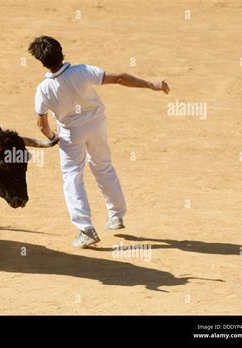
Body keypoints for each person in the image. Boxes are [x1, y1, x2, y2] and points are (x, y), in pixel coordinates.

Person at [28, 35, 170, 248]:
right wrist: (151, 84)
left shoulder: (43, 89)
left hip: (70, 134)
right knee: (103, 166)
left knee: (72, 177)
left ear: (41, 61)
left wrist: (52, 137)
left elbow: (41, 123)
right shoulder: (81, 71)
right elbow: (120, 77)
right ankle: (116, 215)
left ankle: (85, 228)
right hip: (96, 124)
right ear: (61, 51)